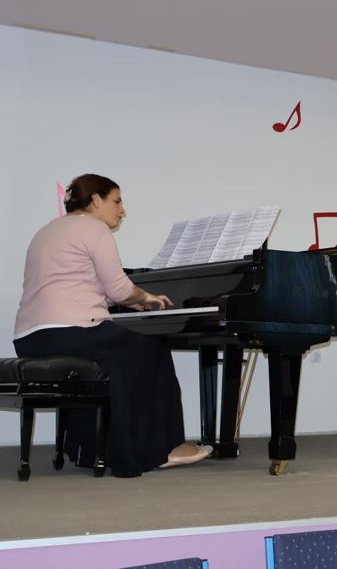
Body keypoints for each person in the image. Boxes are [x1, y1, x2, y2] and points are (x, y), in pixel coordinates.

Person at [13, 174, 211, 477]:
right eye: (116, 201)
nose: (122, 210)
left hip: (31, 338)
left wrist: (133, 302)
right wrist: (145, 296)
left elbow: (81, 285)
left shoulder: (47, 230)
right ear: (96, 200)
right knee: (152, 349)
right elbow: (118, 289)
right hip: (71, 331)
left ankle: (90, 450)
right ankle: (163, 447)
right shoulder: (95, 228)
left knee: (120, 353)